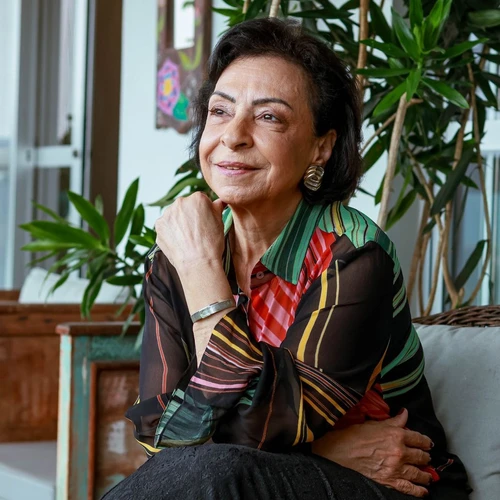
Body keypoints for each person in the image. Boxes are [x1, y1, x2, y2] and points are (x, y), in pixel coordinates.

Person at [105, 18, 470, 500]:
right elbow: (161, 434)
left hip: (396, 482)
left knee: (215, 472)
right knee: (205, 470)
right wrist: (326, 448)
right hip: (260, 475)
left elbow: (270, 419)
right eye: (220, 111)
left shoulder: (354, 256)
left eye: (268, 117)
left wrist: (202, 276)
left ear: (321, 146)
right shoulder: (181, 251)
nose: (233, 136)